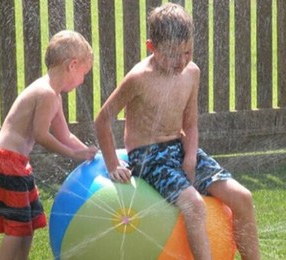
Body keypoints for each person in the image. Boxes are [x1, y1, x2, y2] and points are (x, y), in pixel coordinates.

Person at [94, 3, 260, 260]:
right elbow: (103, 118)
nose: (181, 61)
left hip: (180, 147)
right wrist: (113, 163)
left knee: (242, 197)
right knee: (194, 205)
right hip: (148, 156)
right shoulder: (138, 78)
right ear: (152, 47)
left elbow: (191, 124)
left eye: (188, 51)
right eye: (172, 54)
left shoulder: (191, 73)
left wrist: (191, 157)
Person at [0, 30, 98, 260]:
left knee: (27, 225)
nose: (83, 80)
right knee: (16, 229)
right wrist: (73, 155)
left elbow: (65, 135)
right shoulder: (45, 93)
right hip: (5, 160)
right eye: (84, 73)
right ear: (72, 65)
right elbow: (42, 135)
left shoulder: (54, 96)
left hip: (16, 162)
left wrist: (87, 152)